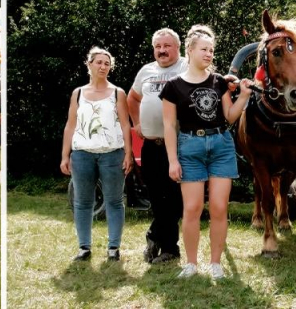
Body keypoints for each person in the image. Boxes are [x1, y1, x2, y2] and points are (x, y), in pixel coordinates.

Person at [160, 25, 251, 280]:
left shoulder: (219, 82)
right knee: (192, 208)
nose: (209, 54)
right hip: (189, 148)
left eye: (212, 50)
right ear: (190, 50)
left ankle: (216, 264)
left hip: (221, 145)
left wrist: (243, 97)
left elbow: (230, 116)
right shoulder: (173, 87)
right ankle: (190, 264)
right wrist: (172, 160)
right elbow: (169, 126)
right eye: (204, 49)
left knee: (220, 208)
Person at [61, 47, 133, 262]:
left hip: (112, 154)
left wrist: (128, 154)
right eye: (99, 62)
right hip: (82, 154)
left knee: (114, 201)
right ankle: (84, 247)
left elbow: (126, 125)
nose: (103, 66)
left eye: (107, 63)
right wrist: (65, 155)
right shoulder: (78, 93)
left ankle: (113, 248)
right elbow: (70, 125)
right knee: (82, 202)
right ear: (89, 64)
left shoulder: (118, 93)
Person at [128, 27, 190, 263]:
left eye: (167, 46)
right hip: (151, 144)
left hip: (179, 144)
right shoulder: (146, 70)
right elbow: (132, 98)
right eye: (158, 47)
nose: (162, 51)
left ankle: (161, 241)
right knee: (156, 196)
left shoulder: (186, 66)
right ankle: (166, 246)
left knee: (175, 198)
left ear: (178, 47)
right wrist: (136, 123)